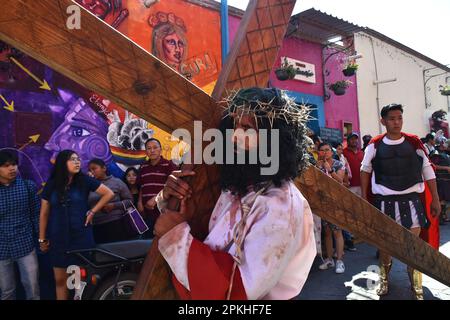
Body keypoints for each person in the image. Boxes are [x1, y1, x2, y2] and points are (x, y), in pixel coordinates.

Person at [153, 88, 316, 300]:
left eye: (247, 128)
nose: (234, 137)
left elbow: (237, 291)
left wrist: (175, 238)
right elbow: (209, 232)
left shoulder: (280, 205)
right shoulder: (240, 184)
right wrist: (169, 199)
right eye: (234, 125)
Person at [360, 104, 441, 300]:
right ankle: (384, 279)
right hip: (383, 202)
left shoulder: (414, 143)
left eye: (399, 118)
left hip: (412, 202)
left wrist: (436, 200)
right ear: (383, 121)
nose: (396, 122)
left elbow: (428, 170)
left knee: (412, 246)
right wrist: (363, 198)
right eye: (392, 119)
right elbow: (365, 170)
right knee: (385, 245)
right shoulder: (374, 145)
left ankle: (415, 283)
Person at [39, 150, 114, 300]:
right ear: (62, 163)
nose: (77, 162)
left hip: (80, 237)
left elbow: (109, 193)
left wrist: (92, 211)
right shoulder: (52, 185)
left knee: (77, 283)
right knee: (60, 280)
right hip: (58, 239)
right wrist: (42, 239)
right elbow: (44, 213)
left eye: (78, 159)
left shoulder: (84, 181)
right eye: (72, 159)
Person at [0, 151, 40, 300]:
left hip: (25, 245)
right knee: (6, 291)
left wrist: (41, 238)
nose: (11, 168)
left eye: (14, 164)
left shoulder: (27, 186)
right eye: (6, 166)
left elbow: (36, 214)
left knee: (32, 287)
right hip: (1, 248)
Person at [315, 142, 346, 274]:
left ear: (331, 152)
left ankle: (339, 261)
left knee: (337, 231)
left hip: (335, 202)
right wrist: (318, 168)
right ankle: (329, 259)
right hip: (322, 202)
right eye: (322, 150)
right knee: (326, 231)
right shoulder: (317, 166)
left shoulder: (338, 164)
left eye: (327, 150)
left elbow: (340, 181)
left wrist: (331, 170)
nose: (324, 152)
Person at [138, 138, 178, 238]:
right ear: (146, 152)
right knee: (148, 241)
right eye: (149, 148)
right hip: (147, 212)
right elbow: (142, 186)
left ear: (161, 150)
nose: (152, 151)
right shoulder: (143, 167)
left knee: (163, 240)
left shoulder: (168, 165)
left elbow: (173, 185)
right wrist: (139, 203)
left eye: (155, 148)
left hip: (164, 212)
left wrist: (156, 199)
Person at [88, 159, 134, 243]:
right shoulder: (90, 186)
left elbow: (130, 201)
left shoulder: (116, 182)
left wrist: (114, 206)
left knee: (117, 251)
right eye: (90, 170)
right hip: (96, 225)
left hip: (115, 223)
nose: (92, 172)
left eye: (94, 169)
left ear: (104, 168)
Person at [429, 139, 450, 224]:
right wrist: (446, 168)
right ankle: (440, 218)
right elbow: (432, 165)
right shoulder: (435, 153)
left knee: (445, 199)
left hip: (447, 180)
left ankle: (444, 216)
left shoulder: (446, 153)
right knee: (441, 199)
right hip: (441, 180)